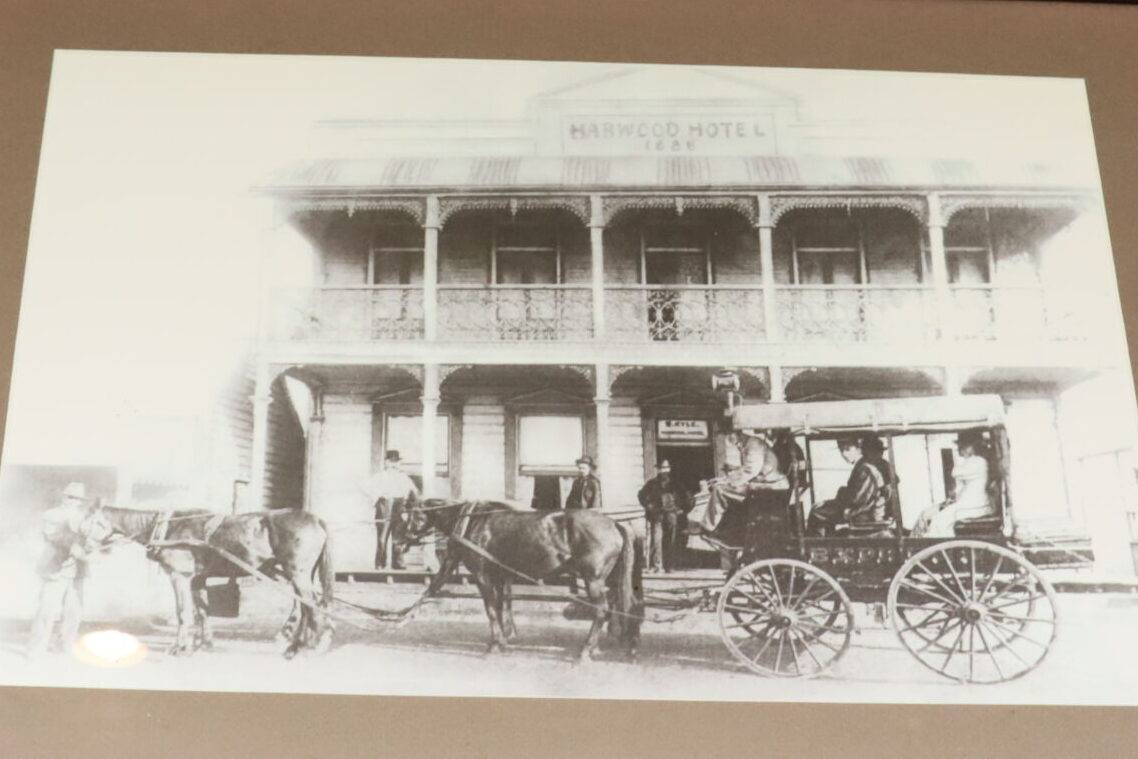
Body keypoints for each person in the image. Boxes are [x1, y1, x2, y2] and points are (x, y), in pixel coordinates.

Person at [26, 482, 95, 658]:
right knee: (46, 610)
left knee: (74, 612)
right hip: (54, 569)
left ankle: (65, 646)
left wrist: (90, 546)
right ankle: (35, 649)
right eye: (71, 497)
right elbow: (53, 537)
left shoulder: (85, 518)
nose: (74, 501)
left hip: (77, 572)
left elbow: (89, 539)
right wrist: (75, 549)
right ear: (64, 497)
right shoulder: (51, 515)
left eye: (78, 498)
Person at [697, 429, 788, 535]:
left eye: (732, 438)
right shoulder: (749, 444)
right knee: (724, 488)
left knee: (719, 490)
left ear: (736, 433)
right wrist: (724, 479)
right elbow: (745, 469)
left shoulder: (754, 444)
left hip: (771, 486)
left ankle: (707, 528)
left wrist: (728, 483)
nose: (735, 444)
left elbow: (751, 471)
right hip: (764, 484)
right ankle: (721, 529)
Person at [806, 435, 893, 536]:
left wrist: (837, 500)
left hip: (866, 514)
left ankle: (818, 545)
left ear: (859, 448)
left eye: (847, 449)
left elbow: (857, 500)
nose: (844, 453)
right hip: (868, 509)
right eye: (841, 449)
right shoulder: (872, 465)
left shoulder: (866, 469)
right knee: (821, 508)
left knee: (816, 512)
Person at [912, 431, 993, 537]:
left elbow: (955, 472)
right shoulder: (973, 461)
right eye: (960, 445)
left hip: (974, 505)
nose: (960, 449)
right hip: (971, 503)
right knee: (930, 514)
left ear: (974, 446)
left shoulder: (978, 461)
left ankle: (938, 546)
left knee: (939, 520)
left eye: (964, 446)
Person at [364, 450, 419, 570]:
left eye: (396, 462)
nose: (394, 464)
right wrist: (377, 499)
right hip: (384, 506)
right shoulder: (379, 476)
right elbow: (366, 489)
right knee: (382, 538)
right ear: (386, 462)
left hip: (399, 506)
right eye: (391, 461)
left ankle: (398, 563)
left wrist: (407, 506)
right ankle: (380, 563)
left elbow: (414, 491)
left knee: (398, 537)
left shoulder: (403, 477)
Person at [638, 460, 686, 573]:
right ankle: (657, 566)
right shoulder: (652, 483)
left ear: (669, 469)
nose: (663, 471)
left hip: (671, 515)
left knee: (671, 540)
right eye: (661, 468)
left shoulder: (676, 484)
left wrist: (682, 510)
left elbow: (686, 496)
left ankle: (669, 566)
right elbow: (641, 495)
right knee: (656, 540)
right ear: (658, 470)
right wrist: (648, 506)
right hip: (657, 515)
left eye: (665, 468)